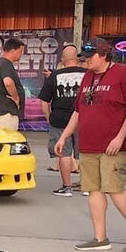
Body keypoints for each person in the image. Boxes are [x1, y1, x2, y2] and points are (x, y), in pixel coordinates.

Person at [52, 38, 126, 252]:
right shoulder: (88, 76)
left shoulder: (124, 74)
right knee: (93, 189)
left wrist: (120, 137)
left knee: (114, 188)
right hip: (89, 144)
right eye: (83, 58)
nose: (85, 61)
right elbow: (78, 110)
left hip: (113, 145)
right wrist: (64, 137)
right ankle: (100, 236)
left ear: (103, 55)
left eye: (89, 57)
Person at [38, 44, 86, 195]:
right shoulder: (88, 75)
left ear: (63, 60)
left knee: (64, 152)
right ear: (77, 59)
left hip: (60, 118)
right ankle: (87, 187)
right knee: (85, 152)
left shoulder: (54, 76)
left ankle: (67, 187)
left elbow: (44, 100)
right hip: (83, 118)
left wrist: (48, 117)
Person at [0, 37, 26, 132]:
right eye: (20, 51)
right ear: (13, 51)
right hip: (7, 111)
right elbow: (8, 82)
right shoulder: (6, 64)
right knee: (9, 139)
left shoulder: (0, 63)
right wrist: (16, 97)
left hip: (3, 111)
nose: (22, 54)